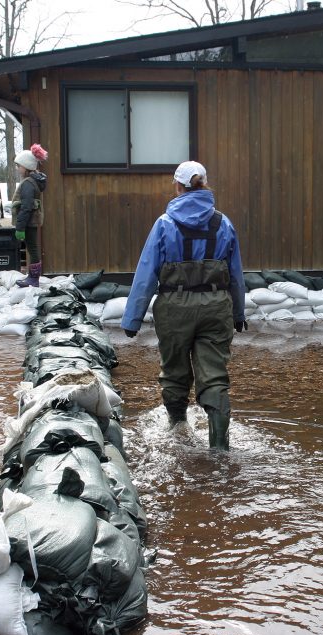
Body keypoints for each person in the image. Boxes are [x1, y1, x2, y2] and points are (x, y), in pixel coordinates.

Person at [120, 160, 247, 450]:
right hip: (217, 306)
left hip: (174, 307)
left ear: (177, 186)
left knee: (175, 372)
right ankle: (220, 448)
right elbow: (236, 275)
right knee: (214, 375)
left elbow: (146, 273)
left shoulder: (165, 224)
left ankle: (178, 433)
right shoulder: (224, 223)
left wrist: (132, 319)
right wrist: (238, 313)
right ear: (204, 184)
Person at [12, 144, 48, 288]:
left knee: (32, 248)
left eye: (19, 165)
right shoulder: (33, 182)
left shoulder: (28, 183)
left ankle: (33, 278)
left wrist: (19, 227)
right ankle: (32, 277)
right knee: (32, 247)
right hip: (31, 220)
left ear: (26, 167)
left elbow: (26, 207)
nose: (17, 168)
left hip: (28, 222)